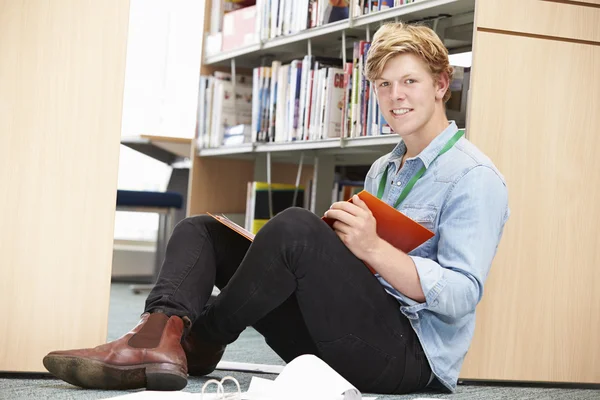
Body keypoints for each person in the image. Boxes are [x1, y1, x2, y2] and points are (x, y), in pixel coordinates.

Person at [43, 22, 509, 394]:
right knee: (203, 230)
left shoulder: (474, 177)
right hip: (340, 340)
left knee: (293, 228)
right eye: (384, 85)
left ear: (442, 84)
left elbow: (463, 294)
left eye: (410, 81)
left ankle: (199, 339)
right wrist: (339, 250)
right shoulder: (384, 170)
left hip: (407, 360)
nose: (395, 96)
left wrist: (369, 248)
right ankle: (154, 338)